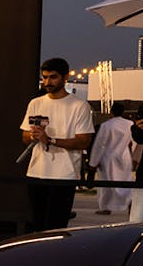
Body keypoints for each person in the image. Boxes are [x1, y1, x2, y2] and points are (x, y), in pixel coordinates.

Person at [20, 57, 95, 231]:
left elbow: (83, 141)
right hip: (36, 172)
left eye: (53, 77)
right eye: (45, 77)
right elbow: (24, 136)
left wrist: (50, 140)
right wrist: (33, 136)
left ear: (65, 77)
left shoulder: (79, 106)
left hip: (64, 175)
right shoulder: (36, 103)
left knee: (56, 227)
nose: (48, 82)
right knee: (37, 226)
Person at [88, 102, 133, 215]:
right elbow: (133, 142)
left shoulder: (107, 125)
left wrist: (93, 162)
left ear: (111, 112)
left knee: (106, 183)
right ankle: (129, 203)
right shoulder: (130, 124)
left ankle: (106, 207)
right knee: (126, 181)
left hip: (108, 158)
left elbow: (100, 144)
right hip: (125, 156)